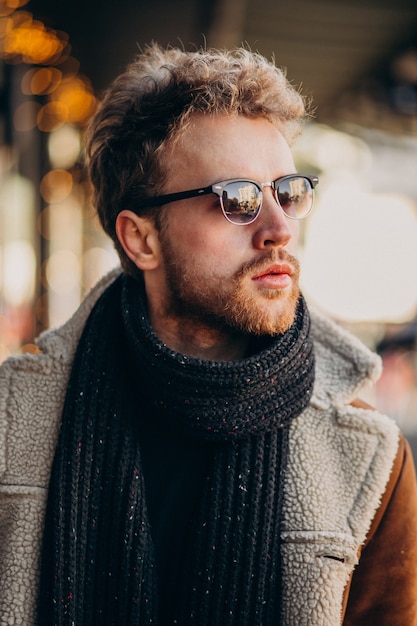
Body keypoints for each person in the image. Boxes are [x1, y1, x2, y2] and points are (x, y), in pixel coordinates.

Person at [1, 42, 417, 626]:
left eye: (287, 192)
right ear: (140, 239)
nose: (279, 229)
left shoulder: (366, 456)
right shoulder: (12, 421)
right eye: (238, 199)